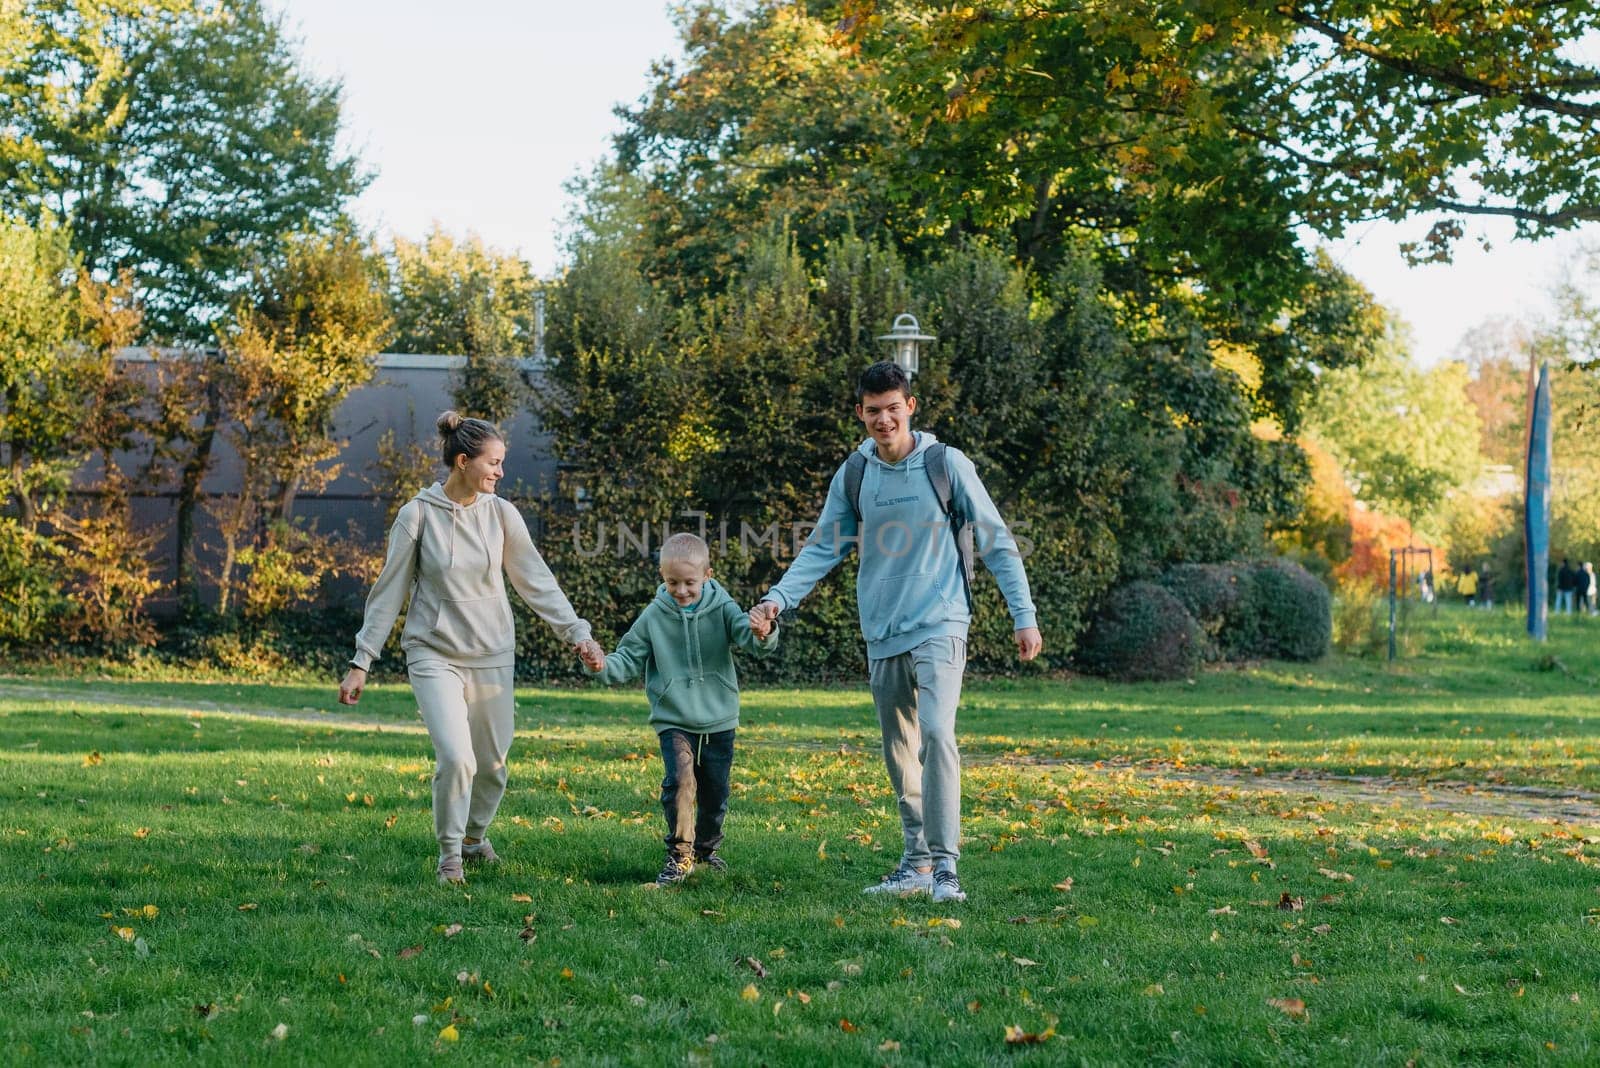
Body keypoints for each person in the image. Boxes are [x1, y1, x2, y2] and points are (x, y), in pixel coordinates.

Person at [749, 361, 1042, 905]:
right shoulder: (855, 475)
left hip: (942, 620)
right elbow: (822, 547)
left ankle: (947, 867)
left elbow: (996, 540)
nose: (883, 419)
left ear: (911, 406)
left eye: (893, 408)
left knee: (936, 732)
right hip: (882, 629)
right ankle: (917, 864)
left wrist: (1022, 614)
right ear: (860, 413)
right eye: (872, 410)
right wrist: (777, 598)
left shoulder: (944, 463)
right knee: (899, 749)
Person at [338, 412, 605, 885]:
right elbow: (389, 592)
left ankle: (474, 839)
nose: (500, 472)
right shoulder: (417, 514)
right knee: (457, 758)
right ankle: (449, 856)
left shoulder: (501, 514)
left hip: (492, 653)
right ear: (463, 461)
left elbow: (536, 581)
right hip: (433, 652)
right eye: (494, 463)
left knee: (493, 765)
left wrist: (578, 634)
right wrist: (363, 661)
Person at [585, 532, 779, 886]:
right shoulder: (654, 615)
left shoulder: (723, 607)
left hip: (719, 718)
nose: (681, 590)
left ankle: (705, 849)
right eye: (672, 581)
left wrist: (763, 631)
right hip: (674, 718)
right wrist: (601, 665)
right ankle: (679, 854)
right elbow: (627, 658)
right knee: (680, 783)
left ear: (707, 575)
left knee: (715, 791)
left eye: (690, 582)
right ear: (662, 576)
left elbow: (749, 639)